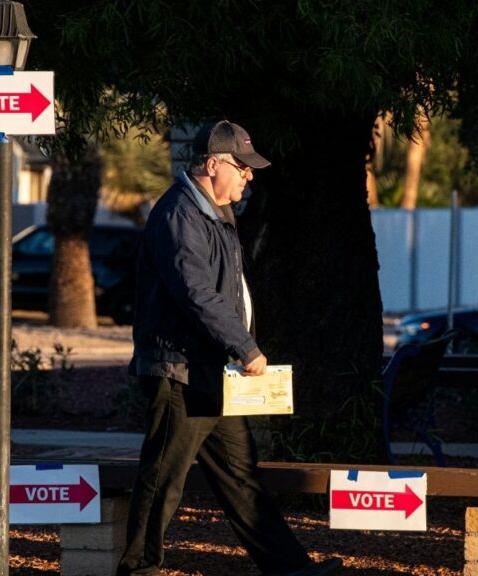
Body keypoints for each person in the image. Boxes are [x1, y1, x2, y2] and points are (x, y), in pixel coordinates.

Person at [117, 120, 342, 576]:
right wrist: (245, 346)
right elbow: (197, 292)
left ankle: (292, 570)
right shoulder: (180, 215)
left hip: (212, 374)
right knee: (163, 478)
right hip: (180, 373)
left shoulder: (216, 214)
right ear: (213, 163)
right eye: (242, 166)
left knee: (242, 480)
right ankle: (138, 569)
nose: (249, 175)